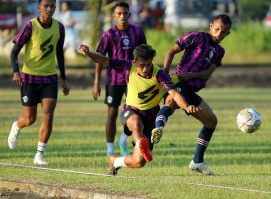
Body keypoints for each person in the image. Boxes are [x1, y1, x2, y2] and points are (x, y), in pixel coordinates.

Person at [78, 44, 197, 175]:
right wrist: (89, 53)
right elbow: (103, 60)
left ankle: (115, 161)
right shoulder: (128, 66)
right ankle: (141, 142)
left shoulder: (160, 74)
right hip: (131, 111)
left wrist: (186, 107)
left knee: (138, 161)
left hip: (150, 117)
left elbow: (174, 93)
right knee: (135, 123)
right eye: (142, 65)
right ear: (134, 62)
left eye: (148, 64)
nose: (145, 69)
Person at [150, 14, 232, 175]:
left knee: (211, 121)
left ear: (227, 34)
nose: (219, 34)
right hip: (179, 84)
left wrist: (191, 75)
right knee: (171, 104)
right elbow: (171, 52)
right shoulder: (196, 37)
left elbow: (207, 74)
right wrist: (165, 75)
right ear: (211, 26)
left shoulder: (219, 51)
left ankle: (197, 161)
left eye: (223, 32)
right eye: (217, 29)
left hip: (191, 89)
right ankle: (157, 128)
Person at [8, 0, 70, 165]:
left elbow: (59, 54)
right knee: (30, 119)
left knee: (48, 114)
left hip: (50, 78)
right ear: (39, 7)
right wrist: (15, 71)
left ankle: (39, 154)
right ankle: (16, 126)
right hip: (30, 78)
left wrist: (63, 79)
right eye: (46, 6)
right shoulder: (30, 26)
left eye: (52, 6)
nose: (49, 9)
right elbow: (14, 52)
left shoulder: (60, 28)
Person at [93, 2, 147, 157]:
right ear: (114, 16)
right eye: (119, 14)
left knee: (139, 111)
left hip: (133, 79)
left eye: (125, 13)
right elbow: (99, 59)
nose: (122, 16)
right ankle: (110, 149)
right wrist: (96, 82)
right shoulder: (108, 35)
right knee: (112, 113)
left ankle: (123, 140)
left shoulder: (137, 32)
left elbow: (145, 56)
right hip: (114, 80)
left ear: (129, 15)